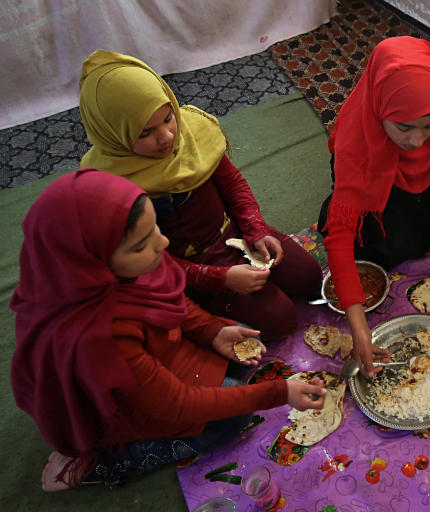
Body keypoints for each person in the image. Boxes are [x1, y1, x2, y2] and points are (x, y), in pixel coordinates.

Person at [10, 170, 328, 491]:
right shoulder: (98, 337)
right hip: (125, 404)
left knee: (244, 339)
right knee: (232, 420)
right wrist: (280, 392)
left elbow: (170, 295)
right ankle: (113, 461)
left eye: (156, 230)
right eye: (141, 244)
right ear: (93, 262)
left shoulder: (123, 265)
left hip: (157, 355)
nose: (163, 243)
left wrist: (212, 330)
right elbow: (177, 405)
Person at [78, 50, 325, 341]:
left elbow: (233, 184)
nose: (168, 137)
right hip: (191, 268)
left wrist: (256, 230)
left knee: (310, 278)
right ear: (112, 135)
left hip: (234, 234)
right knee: (279, 319)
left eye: (169, 118)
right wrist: (221, 278)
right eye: (145, 133)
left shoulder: (193, 135)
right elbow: (153, 264)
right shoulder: (112, 188)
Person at [317, 36, 430, 376]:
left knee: (421, 235)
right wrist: (359, 329)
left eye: (427, 127)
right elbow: (339, 238)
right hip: (370, 173)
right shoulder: (356, 139)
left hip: (418, 182)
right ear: (382, 108)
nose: (417, 141)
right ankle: (345, 205)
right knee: (370, 243)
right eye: (403, 127)